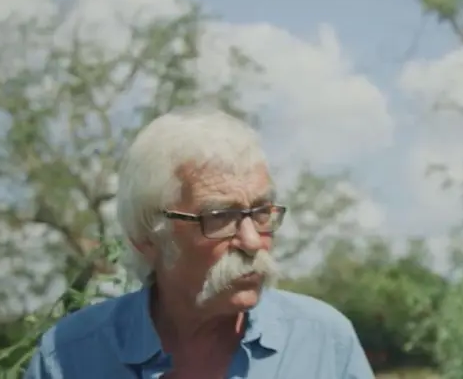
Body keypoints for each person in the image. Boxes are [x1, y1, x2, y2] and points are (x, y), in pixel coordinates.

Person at [24, 107, 373, 378]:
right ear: (145, 237)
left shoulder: (324, 342)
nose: (252, 241)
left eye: (262, 211)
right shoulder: (69, 357)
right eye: (220, 217)